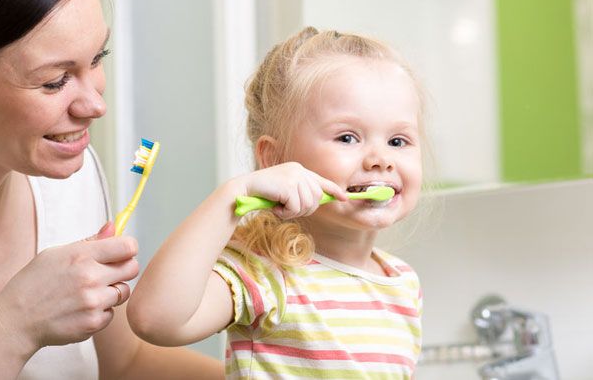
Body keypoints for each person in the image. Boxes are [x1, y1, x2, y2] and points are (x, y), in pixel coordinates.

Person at [0, 0, 222, 379]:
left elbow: (125, 363)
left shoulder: (71, 181)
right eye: (55, 80)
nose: (96, 105)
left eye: (97, 58)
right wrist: (14, 324)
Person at [127, 26, 425, 379]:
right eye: (347, 137)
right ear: (276, 158)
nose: (381, 159)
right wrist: (232, 195)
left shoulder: (403, 283)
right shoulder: (267, 274)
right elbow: (154, 319)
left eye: (398, 141)